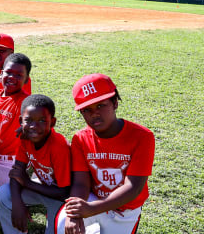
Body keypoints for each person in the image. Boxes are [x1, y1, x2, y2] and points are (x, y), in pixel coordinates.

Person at [56, 73, 155, 234]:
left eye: (101, 105)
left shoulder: (142, 136)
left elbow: (134, 187)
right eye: (87, 109)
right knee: (63, 223)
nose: (94, 113)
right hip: (93, 199)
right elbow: (81, 183)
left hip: (125, 210)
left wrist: (91, 209)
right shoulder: (80, 139)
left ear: (115, 103)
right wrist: (74, 214)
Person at [0, 94, 71, 234]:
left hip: (61, 199)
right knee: (3, 194)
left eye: (42, 121)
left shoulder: (59, 146)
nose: (34, 126)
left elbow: (64, 192)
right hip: (42, 188)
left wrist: (27, 183)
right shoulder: (26, 138)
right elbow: (16, 173)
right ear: (21, 121)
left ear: (52, 122)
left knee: (55, 229)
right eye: (28, 120)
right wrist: (18, 204)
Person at [0, 53, 32, 185]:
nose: (12, 77)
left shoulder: (25, 102)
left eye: (19, 75)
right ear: (1, 73)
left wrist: (27, 127)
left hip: (10, 163)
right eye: (8, 72)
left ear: (26, 79)